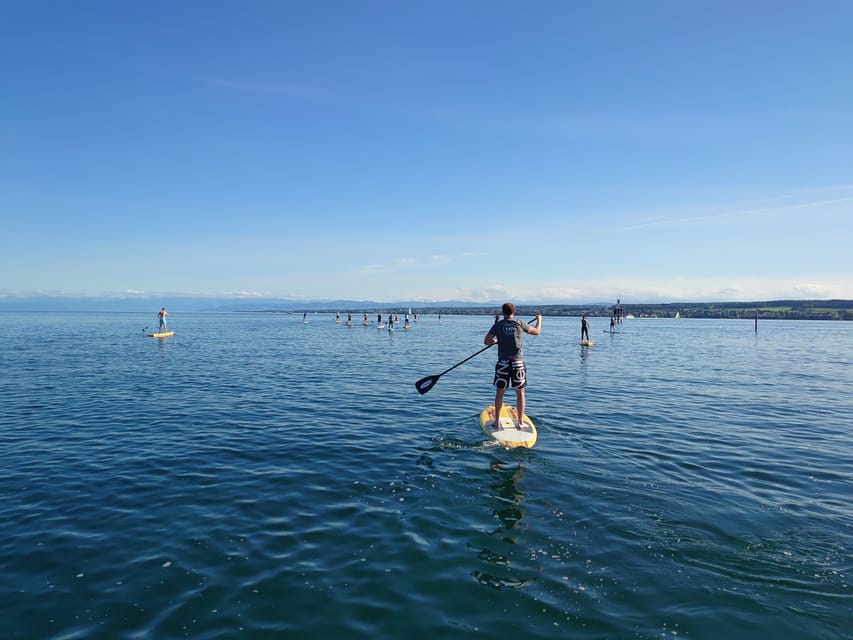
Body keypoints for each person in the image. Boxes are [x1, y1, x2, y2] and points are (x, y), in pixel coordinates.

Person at [484, 303, 542, 430]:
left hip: (503, 363)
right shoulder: (519, 324)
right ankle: (520, 422)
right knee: (520, 392)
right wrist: (539, 320)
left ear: (503, 312)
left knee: (500, 393)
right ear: (514, 311)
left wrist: (496, 341)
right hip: (518, 363)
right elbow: (536, 332)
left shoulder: (497, 325)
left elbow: (486, 341)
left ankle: (496, 422)